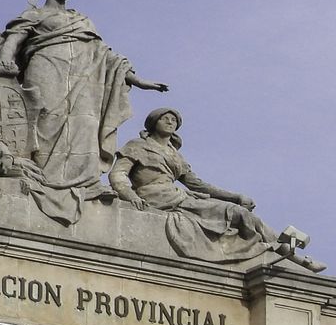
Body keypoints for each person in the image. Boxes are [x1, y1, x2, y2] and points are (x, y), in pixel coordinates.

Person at [0, 0, 168, 223]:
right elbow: (13, 41)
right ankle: (41, 176)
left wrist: (138, 80)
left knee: (85, 125)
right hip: (47, 67)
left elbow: (106, 55)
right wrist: (4, 64)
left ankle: (88, 183)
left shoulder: (83, 21)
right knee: (47, 120)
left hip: (85, 75)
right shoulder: (35, 14)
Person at [110, 108, 320, 266]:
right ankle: (288, 253)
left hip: (180, 196)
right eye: (165, 118)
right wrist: (129, 195)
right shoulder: (137, 146)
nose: (170, 122)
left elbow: (197, 184)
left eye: (174, 120)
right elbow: (118, 174)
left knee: (240, 213)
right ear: (153, 122)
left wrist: (235, 197)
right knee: (235, 214)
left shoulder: (175, 155)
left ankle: (291, 254)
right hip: (156, 196)